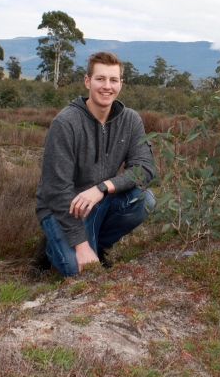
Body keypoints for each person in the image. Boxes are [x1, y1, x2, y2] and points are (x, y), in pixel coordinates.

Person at [33, 51, 156, 277]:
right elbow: (55, 191)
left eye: (113, 80)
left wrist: (103, 188)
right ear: (87, 81)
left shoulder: (130, 120)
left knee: (144, 201)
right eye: (100, 79)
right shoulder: (65, 123)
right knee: (77, 270)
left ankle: (96, 243)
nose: (106, 86)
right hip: (64, 207)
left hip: (99, 200)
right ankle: (52, 245)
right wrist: (80, 246)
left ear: (121, 84)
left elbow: (144, 169)